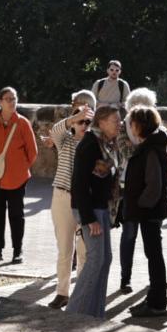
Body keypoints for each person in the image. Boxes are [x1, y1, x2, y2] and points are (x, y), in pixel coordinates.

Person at [65, 104, 120, 317]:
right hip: (90, 210)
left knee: (105, 259)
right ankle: (74, 313)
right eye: (115, 120)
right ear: (102, 122)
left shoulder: (108, 143)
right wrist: (89, 219)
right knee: (96, 259)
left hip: (101, 208)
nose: (119, 124)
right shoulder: (90, 144)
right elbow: (78, 184)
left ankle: (95, 314)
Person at [119, 107, 167, 318]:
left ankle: (157, 302)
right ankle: (153, 298)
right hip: (148, 211)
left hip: (149, 212)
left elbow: (154, 185)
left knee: (154, 255)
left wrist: (140, 205)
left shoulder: (150, 149)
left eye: (132, 123)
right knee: (153, 255)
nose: (130, 127)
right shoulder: (149, 146)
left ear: (141, 125)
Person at [46, 91, 96, 308]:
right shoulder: (64, 141)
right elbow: (56, 130)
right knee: (65, 249)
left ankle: (82, 294)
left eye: (87, 122)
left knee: (84, 250)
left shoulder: (94, 144)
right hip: (62, 196)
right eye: (79, 122)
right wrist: (73, 118)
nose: (83, 125)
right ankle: (62, 292)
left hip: (85, 200)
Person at [0, 87, 37, 264]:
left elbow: (32, 152)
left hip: (17, 178)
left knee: (16, 215)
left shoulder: (23, 123)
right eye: (8, 99)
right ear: (0, 102)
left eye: (14, 98)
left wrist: (19, 168)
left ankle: (17, 250)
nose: (12, 102)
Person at [115, 87, 158, 295]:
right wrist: (146, 149)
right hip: (128, 186)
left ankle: (154, 280)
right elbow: (126, 151)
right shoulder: (123, 128)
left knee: (151, 238)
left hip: (149, 188)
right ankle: (125, 279)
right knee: (129, 234)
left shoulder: (156, 129)